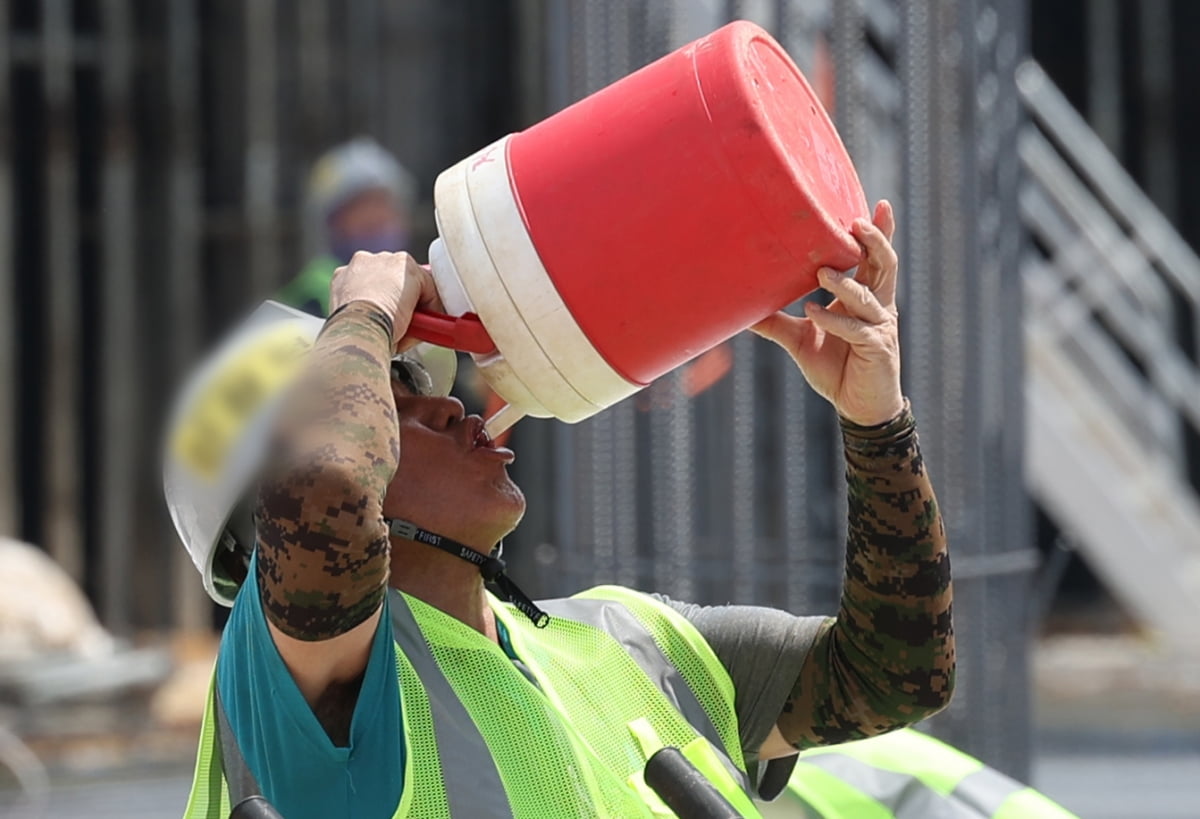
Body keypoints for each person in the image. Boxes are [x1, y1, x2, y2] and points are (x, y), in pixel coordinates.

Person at [165, 200, 954, 818]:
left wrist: (874, 421)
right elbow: (327, 493)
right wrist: (364, 315)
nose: (442, 406)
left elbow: (899, 673)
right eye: (392, 397)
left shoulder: (636, 643)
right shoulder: (292, 682)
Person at [276, 137, 417, 317]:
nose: (376, 215)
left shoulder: (423, 291)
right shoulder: (307, 300)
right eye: (361, 204)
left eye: (383, 201)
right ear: (332, 222)